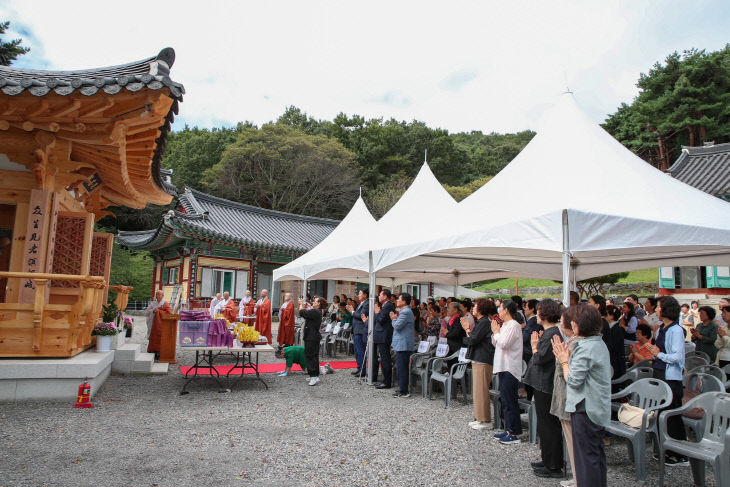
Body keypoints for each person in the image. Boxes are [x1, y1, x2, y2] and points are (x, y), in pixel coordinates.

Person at [552, 305, 611, 487]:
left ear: (576, 326)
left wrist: (563, 361)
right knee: (594, 455)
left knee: (585, 459)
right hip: (595, 406)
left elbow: (574, 380)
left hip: (585, 407)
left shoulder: (585, 348)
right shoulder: (597, 343)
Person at [645, 296, 689, 466]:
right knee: (662, 412)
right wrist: (656, 354)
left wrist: (659, 354)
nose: (656, 309)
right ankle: (665, 449)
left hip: (670, 377)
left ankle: (679, 454)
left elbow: (677, 357)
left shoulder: (676, 330)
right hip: (660, 372)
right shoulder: (662, 328)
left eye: (659, 307)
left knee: (672, 414)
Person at [524, 299, 564, 478]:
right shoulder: (548, 332)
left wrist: (534, 347)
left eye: (539, 310)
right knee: (544, 424)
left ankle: (554, 465)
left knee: (549, 425)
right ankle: (547, 459)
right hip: (541, 383)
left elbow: (541, 358)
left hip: (545, 384)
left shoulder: (553, 333)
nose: (536, 313)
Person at [549, 308, 579, 487]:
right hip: (568, 397)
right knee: (572, 441)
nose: (560, 323)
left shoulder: (575, 345)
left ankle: (579, 478)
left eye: (562, 320)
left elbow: (568, 374)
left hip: (570, 398)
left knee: (575, 442)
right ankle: (578, 477)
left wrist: (562, 360)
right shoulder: (571, 342)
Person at [491, 300, 523, 445]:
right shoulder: (506, 325)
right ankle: (508, 428)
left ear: (507, 310)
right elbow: (496, 342)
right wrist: (495, 333)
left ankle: (515, 433)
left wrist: (496, 333)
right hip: (503, 366)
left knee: (510, 400)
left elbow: (504, 343)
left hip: (510, 367)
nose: (499, 311)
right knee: (505, 399)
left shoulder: (514, 325)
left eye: (501, 309)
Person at [462, 298, 496, 430]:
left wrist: (467, 328)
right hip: (479, 358)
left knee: (481, 391)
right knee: (477, 390)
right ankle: (479, 417)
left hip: (483, 359)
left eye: (475, 307)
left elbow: (473, 339)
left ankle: (485, 420)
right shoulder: (481, 322)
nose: (473, 309)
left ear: (481, 308)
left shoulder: (484, 323)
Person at [390, 292, 415, 397]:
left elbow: (397, 326)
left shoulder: (405, 312)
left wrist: (393, 319)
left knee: (402, 367)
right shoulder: (405, 311)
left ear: (404, 301)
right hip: (402, 343)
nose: (397, 301)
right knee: (400, 366)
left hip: (403, 344)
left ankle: (403, 390)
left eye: (399, 299)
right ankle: (402, 388)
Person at [371, 289, 395, 388]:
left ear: (385, 296)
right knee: (383, 358)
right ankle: (384, 380)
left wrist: (377, 313)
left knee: (385, 359)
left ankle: (387, 382)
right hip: (380, 334)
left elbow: (381, 320)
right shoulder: (385, 306)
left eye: (380, 295)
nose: (379, 296)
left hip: (384, 335)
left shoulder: (388, 305)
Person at [299, 296, 324, 386]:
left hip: (311, 336)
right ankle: (315, 375)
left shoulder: (315, 311)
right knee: (314, 356)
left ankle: (313, 376)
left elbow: (302, 312)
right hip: (313, 336)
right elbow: (309, 312)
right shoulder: (317, 311)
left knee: (310, 356)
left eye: (315, 301)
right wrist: (308, 306)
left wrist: (301, 304)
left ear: (319, 304)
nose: (313, 301)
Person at [348, 288, 369, 376]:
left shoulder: (367, 303)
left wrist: (352, 312)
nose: (358, 295)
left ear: (365, 295)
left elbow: (361, 316)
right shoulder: (361, 303)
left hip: (361, 330)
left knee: (360, 350)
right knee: (357, 350)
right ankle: (359, 367)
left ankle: (362, 370)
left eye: (360, 293)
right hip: (357, 329)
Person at [146, 290, 172, 358]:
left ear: (163, 296)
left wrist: (159, 311)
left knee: (159, 338)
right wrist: (153, 310)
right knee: (153, 337)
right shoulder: (152, 303)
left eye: (160, 294)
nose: (158, 296)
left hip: (161, 324)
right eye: (157, 294)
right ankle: (152, 350)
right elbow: (147, 312)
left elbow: (169, 314)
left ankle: (159, 352)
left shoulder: (165, 303)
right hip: (152, 323)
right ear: (155, 295)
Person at [715, 305, 730, 370]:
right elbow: (717, 345)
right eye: (722, 313)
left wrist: (725, 336)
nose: (722, 315)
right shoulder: (724, 328)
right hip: (722, 359)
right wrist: (721, 337)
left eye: (724, 312)